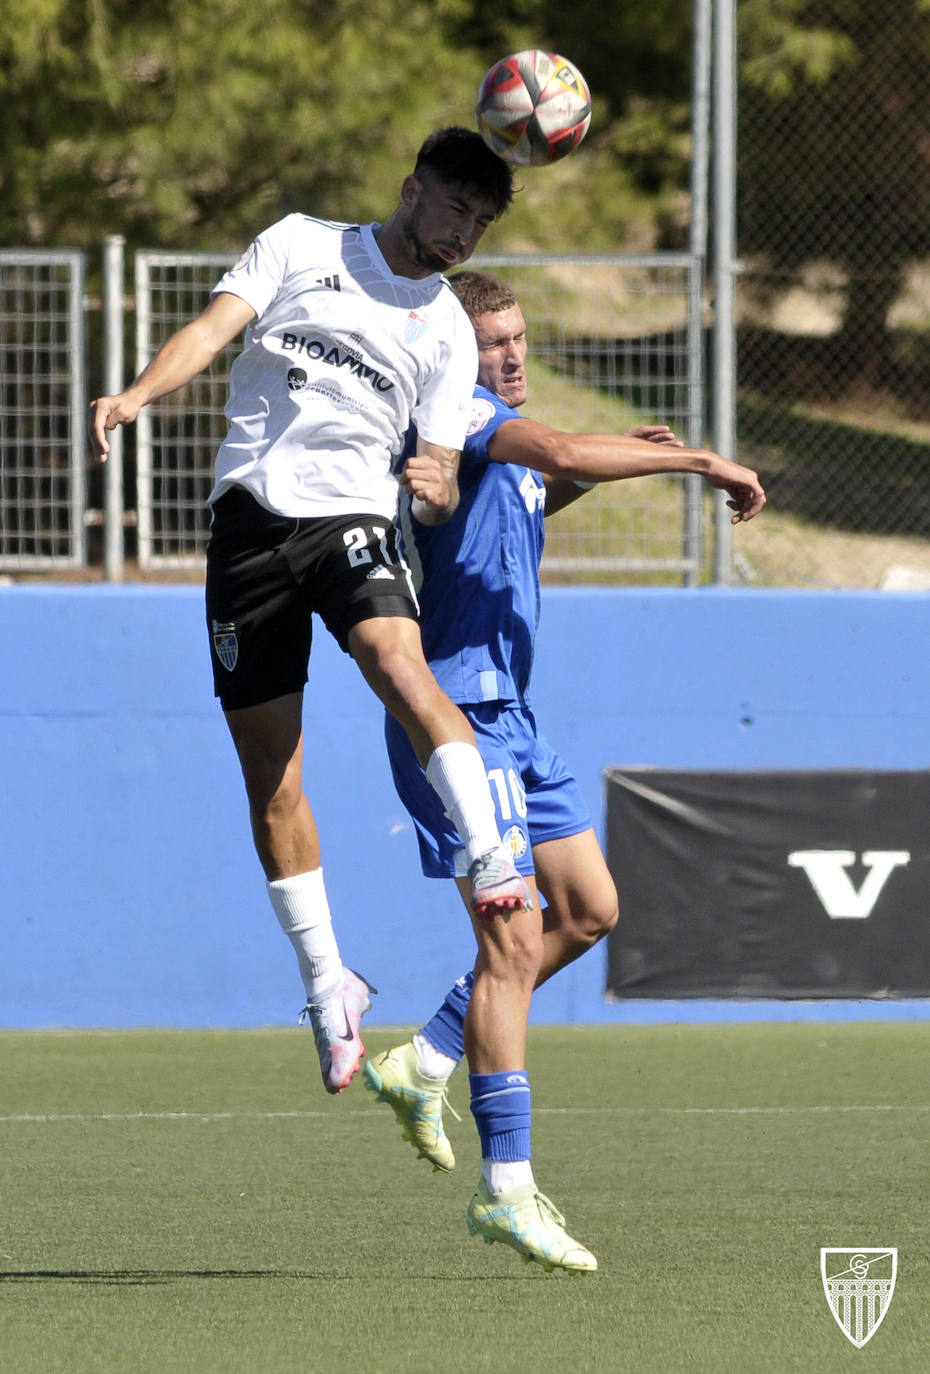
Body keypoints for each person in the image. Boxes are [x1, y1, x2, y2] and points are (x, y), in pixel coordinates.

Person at [89, 131, 534, 1098]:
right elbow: (212, 330)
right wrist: (134, 395)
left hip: (351, 522)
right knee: (271, 777)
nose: (463, 232)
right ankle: (329, 986)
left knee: (396, 663)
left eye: (481, 221)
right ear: (412, 190)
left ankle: (488, 846)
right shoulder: (302, 244)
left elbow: (441, 477)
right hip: (248, 529)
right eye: (454, 208)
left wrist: (438, 482)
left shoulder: (450, 332)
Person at [365, 270, 766, 1272]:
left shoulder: (500, 439)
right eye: (492, 339)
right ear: (458, 349)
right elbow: (549, 449)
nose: (511, 354)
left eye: (519, 337)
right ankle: (508, 1190)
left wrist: (595, 472)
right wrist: (700, 462)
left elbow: (539, 484)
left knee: (589, 909)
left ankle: (430, 1055)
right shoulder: (455, 413)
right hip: (450, 721)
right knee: (514, 941)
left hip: (516, 719)